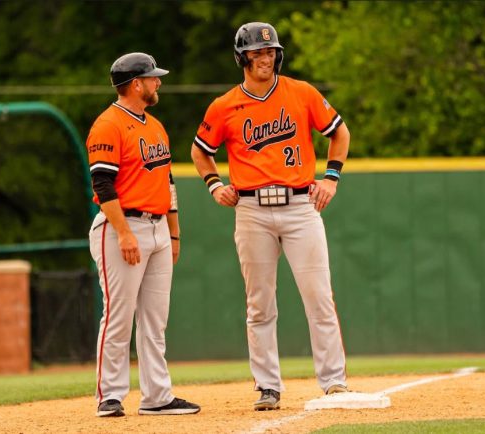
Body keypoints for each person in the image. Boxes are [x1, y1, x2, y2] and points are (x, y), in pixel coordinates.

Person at [191, 22, 351, 411]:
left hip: (300, 206)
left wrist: (331, 178)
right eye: (257, 52)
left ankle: (334, 381)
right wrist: (214, 184)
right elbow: (200, 150)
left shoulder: (301, 92)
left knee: (319, 297)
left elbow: (339, 132)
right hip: (251, 210)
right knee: (259, 304)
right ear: (242, 58)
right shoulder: (225, 105)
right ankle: (267, 386)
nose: (265, 58)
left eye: (270, 52)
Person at [86, 52, 200, 417]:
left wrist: (174, 234)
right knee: (118, 316)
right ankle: (110, 395)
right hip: (122, 227)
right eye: (153, 78)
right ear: (136, 84)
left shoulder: (155, 126)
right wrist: (123, 233)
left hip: (158, 228)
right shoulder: (108, 125)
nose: (158, 82)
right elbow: (102, 184)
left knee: (155, 320)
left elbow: (167, 181)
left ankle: (157, 396)